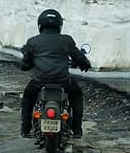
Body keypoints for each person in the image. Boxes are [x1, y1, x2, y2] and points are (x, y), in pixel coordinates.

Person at [19, 8, 90, 140]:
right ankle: (77, 129)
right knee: (77, 94)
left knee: (28, 96)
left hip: (40, 82)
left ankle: (25, 128)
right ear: (59, 25)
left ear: (40, 25)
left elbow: (25, 65)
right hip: (63, 81)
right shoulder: (66, 40)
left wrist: (30, 62)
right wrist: (85, 64)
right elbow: (79, 58)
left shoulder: (33, 41)